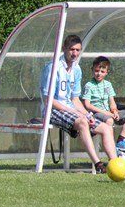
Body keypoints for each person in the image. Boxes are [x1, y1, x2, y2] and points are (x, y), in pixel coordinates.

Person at [39, 34, 117, 173]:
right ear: (64, 48)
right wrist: (76, 113)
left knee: (106, 128)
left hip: (71, 110)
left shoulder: (77, 69)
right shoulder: (53, 67)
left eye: (77, 50)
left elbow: (75, 99)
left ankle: (115, 164)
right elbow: (48, 100)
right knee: (82, 122)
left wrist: (87, 114)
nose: (74, 53)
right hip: (52, 110)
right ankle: (98, 164)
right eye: (72, 49)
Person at [81, 55, 125, 153]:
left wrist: (114, 111)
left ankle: (121, 140)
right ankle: (111, 147)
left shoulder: (108, 85)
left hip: (108, 112)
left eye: (102, 71)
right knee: (109, 120)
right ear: (92, 70)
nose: (99, 74)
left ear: (107, 72)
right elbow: (87, 105)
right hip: (96, 113)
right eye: (96, 71)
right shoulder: (89, 85)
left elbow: (111, 101)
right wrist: (108, 114)